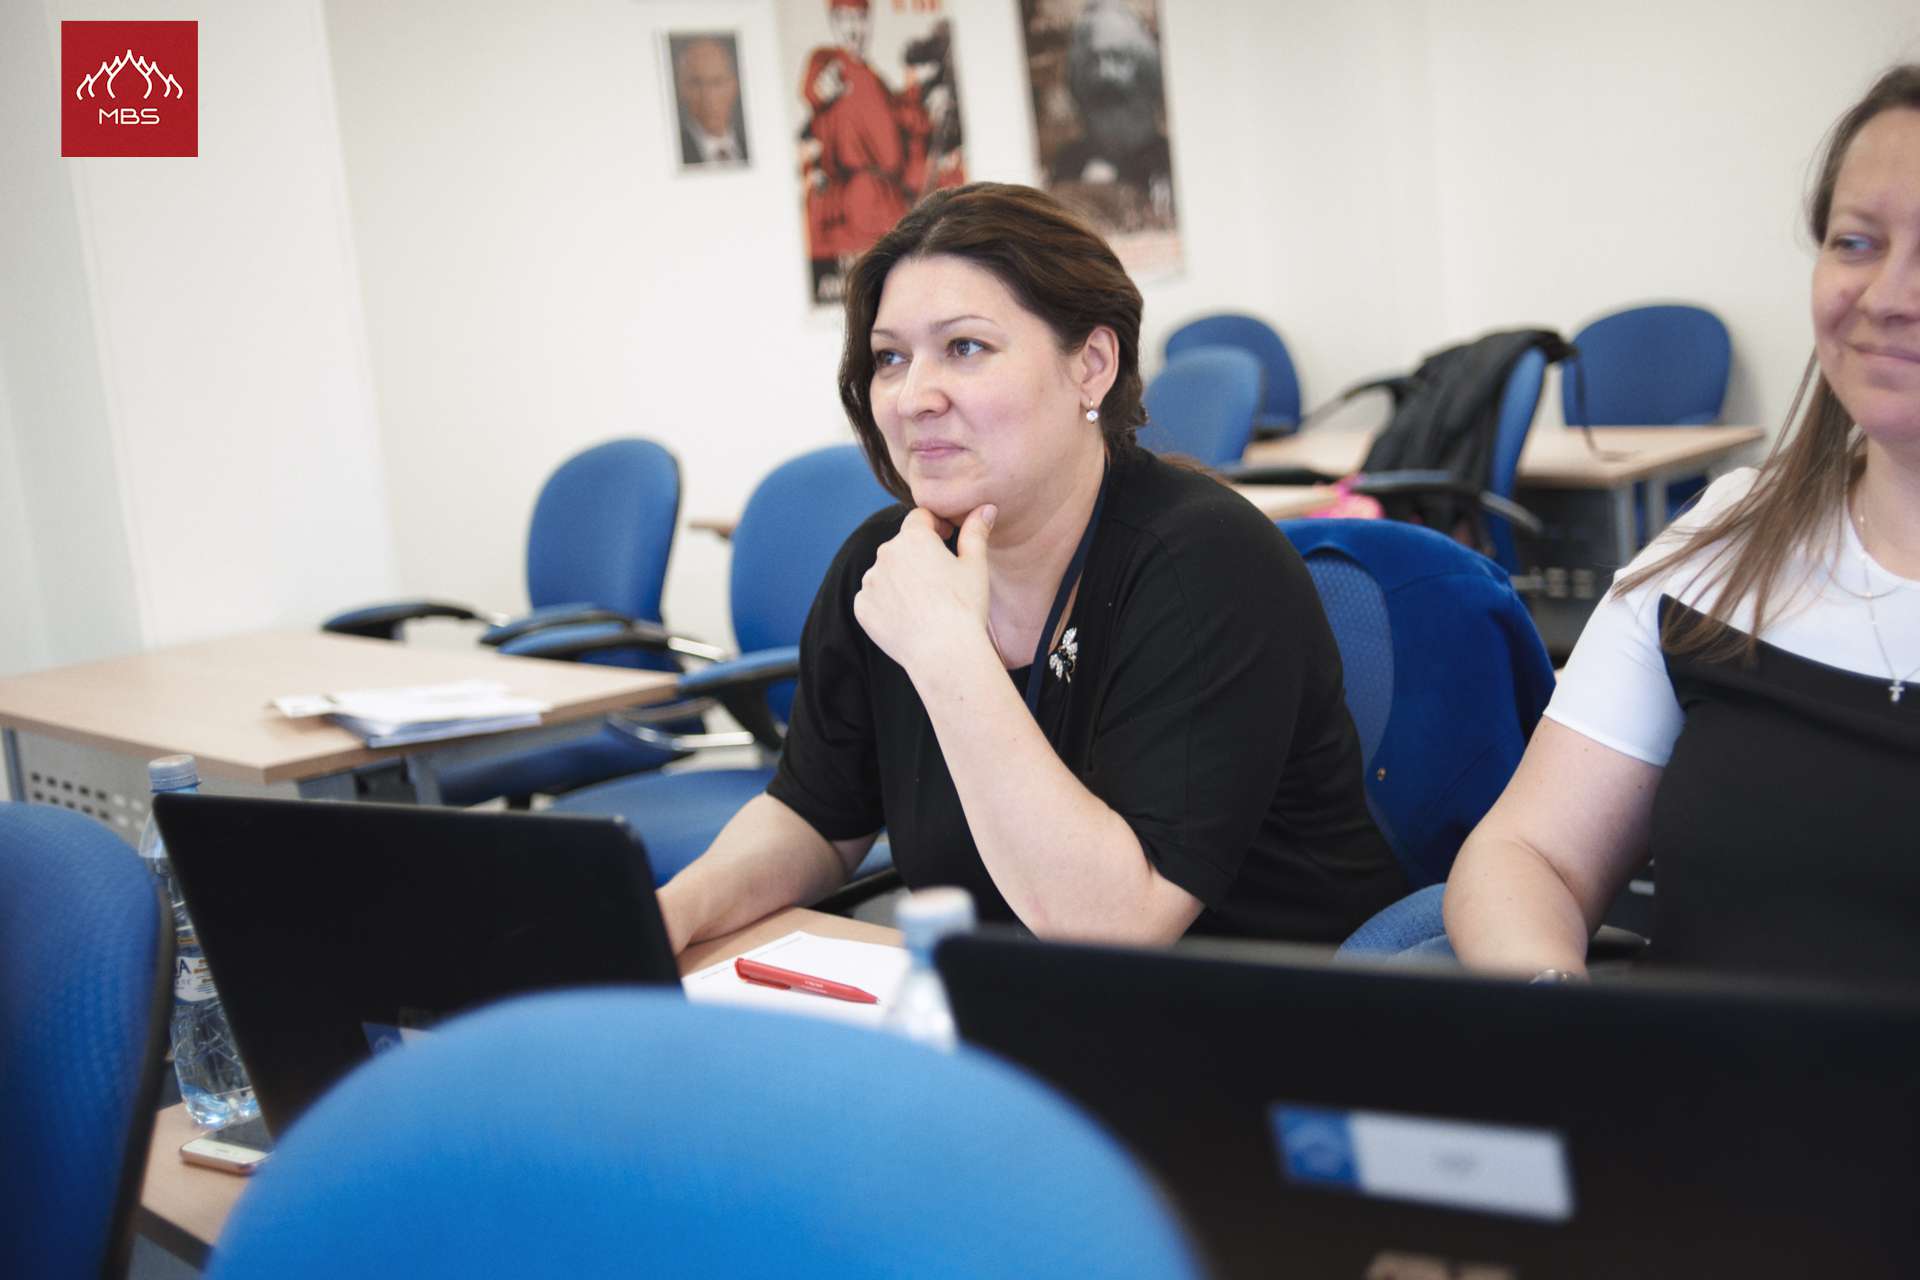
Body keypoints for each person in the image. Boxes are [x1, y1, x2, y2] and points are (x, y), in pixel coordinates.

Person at [658, 182, 1405, 954]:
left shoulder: (1206, 564)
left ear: (1091, 366)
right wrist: (670, 915)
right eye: (890, 358)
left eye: (965, 348)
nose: (913, 397)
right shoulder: (890, 565)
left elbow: (1115, 929)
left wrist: (948, 653)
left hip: (1259, 1006)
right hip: (1011, 999)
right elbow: (814, 817)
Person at [1444, 66, 1920, 987]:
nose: (1889, 294)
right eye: (1856, 242)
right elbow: (1526, 854)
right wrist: (1557, 1012)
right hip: (1675, 1080)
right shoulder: (1728, 540)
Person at [673, 35, 748, 168]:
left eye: (717, 82)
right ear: (682, 89)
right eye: (696, 83)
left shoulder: (755, 146)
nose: (708, 96)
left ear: (733, 86)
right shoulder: (674, 151)